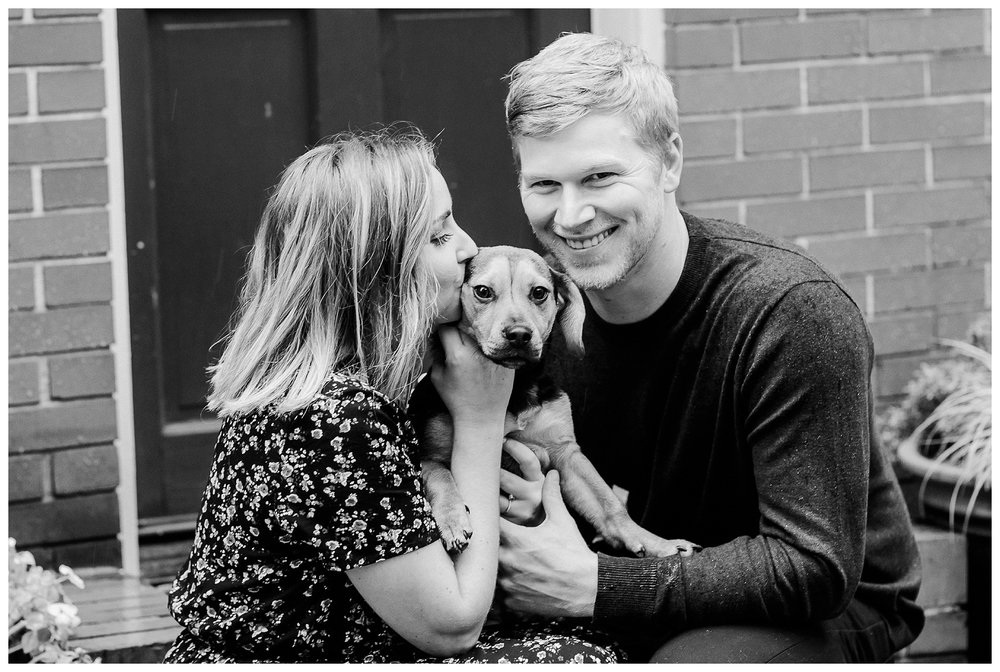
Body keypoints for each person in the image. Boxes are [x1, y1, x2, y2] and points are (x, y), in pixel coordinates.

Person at [494, 33, 925, 663]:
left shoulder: (787, 311)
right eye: (544, 185)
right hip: (622, 584)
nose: (572, 214)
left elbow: (814, 566)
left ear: (669, 161)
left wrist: (596, 585)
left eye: (600, 177)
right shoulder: (530, 308)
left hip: (818, 610)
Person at [162, 128, 624, 663]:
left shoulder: (366, 382)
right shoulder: (334, 418)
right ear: (377, 274)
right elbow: (452, 627)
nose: (469, 247)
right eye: (438, 235)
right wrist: (479, 420)